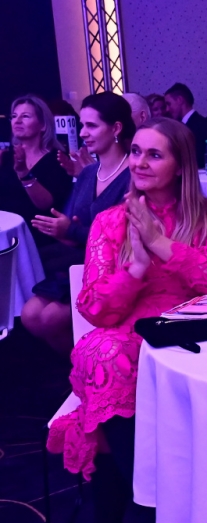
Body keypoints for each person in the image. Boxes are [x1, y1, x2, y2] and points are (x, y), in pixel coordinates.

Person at [47, 116, 207, 523]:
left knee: (115, 368)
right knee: (104, 353)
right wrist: (135, 268)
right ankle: (151, 507)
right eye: (135, 151)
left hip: (194, 332)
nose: (139, 162)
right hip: (128, 331)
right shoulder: (110, 221)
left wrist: (161, 246)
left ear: (181, 164)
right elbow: (95, 308)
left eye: (154, 154)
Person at [21, 92, 134, 355]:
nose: (83, 133)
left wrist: (70, 230)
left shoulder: (133, 174)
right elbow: (71, 222)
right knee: (30, 315)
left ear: (116, 128)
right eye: (82, 125)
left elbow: (122, 237)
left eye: (91, 126)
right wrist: (61, 229)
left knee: (49, 318)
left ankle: (92, 365)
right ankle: (81, 364)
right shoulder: (88, 173)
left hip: (114, 268)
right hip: (79, 261)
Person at [0, 95, 74, 240]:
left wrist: (24, 173)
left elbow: (45, 205)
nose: (17, 121)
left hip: (35, 235)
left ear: (43, 125)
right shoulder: (6, 156)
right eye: (14, 116)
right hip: (4, 231)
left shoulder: (56, 159)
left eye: (25, 116)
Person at [164, 83, 207, 168]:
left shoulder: (201, 125)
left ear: (179, 100)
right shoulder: (183, 125)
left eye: (169, 104)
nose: (167, 109)